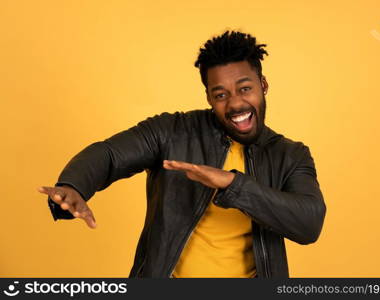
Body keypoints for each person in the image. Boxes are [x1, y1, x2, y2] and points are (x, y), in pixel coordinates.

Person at [38, 31, 326, 278]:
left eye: (245, 88)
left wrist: (232, 185)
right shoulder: (171, 131)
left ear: (263, 85)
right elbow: (109, 154)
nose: (236, 103)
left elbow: (309, 223)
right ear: (209, 98)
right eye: (221, 94)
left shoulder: (290, 155)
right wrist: (73, 185)